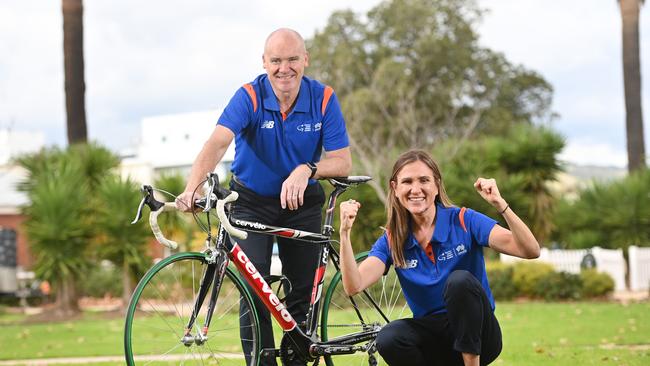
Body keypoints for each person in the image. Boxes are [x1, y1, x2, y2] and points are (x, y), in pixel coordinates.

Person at [176, 28, 351, 365]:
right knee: (255, 289)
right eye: (276, 61)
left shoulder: (324, 98)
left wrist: (307, 169)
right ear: (264, 62)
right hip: (251, 202)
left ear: (305, 60)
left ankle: (298, 360)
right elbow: (217, 141)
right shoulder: (250, 96)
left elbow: (343, 162)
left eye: (292, 59)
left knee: (302, 293)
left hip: (302, 203)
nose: (284, 68)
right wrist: (192, 187)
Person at [338, 149, 540, 366]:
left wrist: (501, 205)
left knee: (459, 281)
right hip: (434, 338)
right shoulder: (392, 238)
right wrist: (344, 233)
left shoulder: (464, 220)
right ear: (395, 188)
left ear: (436, 185)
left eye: (424, 180)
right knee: (388, 337)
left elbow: (530, 250)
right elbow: (353, 286)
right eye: (407, 182)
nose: (416, 189)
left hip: (480, 337)